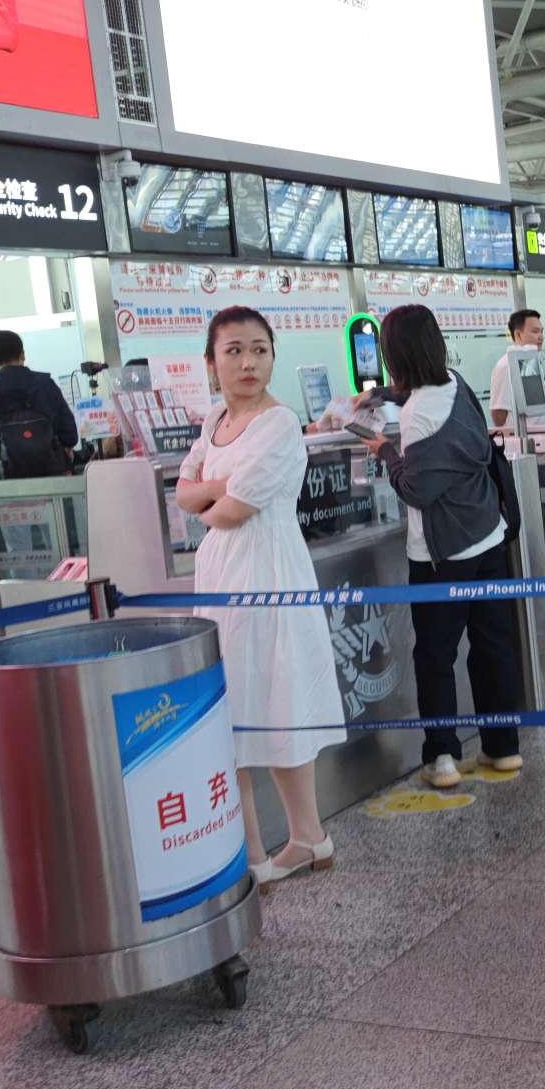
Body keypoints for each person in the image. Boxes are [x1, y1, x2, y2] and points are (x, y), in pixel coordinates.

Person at [174, 308, 342, 884]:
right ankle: (289, 843)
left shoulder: (278, 423)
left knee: (274, 702)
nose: (248, 362)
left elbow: (228, 512)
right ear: (211, 362)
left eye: (260, 350)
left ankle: (292, 843)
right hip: (222, 576)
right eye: (234, 351)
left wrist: (209, 496)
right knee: (241, 707)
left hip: (268, 574)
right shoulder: (214, 420)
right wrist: (215, 490)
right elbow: (183, 495)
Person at [380, 304, 525, 789]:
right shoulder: (457, 384)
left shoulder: (417, 413)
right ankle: (503, 748)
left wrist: (385, 453)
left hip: (441, 557)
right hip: (488, 538)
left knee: (435, 656)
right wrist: (377, 395)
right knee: (492, 646)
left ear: (394, 353)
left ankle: (442, 756)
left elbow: (416, 490)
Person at [0, 330, 77, 480]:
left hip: (3, 478)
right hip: (51, 473)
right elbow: (69, 434)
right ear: (22, 354)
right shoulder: (46, 385)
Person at [488, 307, 544, 428]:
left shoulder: (531, 362)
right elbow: (498, 414)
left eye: (541, 331)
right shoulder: (506, 365)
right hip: (523, 437)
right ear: (518, 335)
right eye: (535, 332)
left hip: (543, 435)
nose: (541, 336)